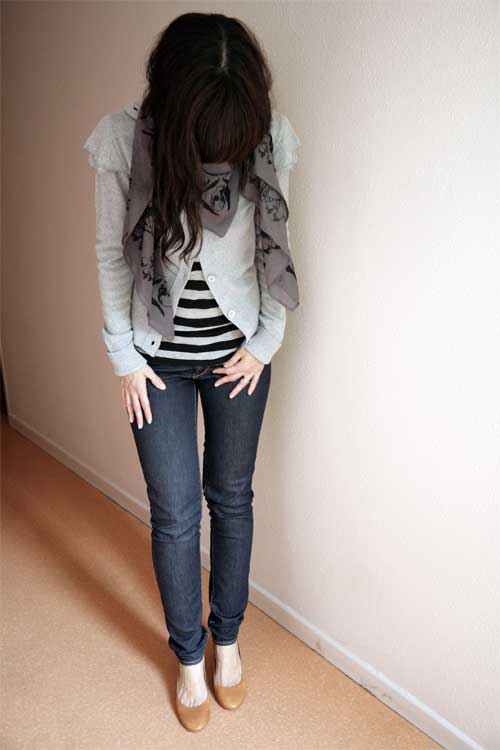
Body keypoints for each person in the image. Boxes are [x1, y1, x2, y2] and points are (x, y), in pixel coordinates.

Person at [83, 11, 300, 732]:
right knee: (175, 514)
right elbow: (112, 253)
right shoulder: (123, 141)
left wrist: (266, 342)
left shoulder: (268, 135)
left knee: (230, 497)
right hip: (157, 361)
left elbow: (277, 243)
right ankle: (187, 657)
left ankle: (227, 643)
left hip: (239, 352)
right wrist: (123, 356)